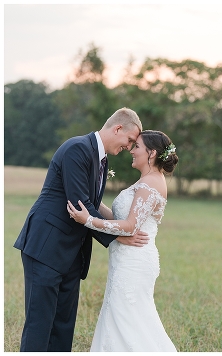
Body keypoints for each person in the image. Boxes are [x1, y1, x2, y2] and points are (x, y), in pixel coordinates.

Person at [13, 108, 149, 352]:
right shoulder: (77, 149)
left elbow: (93, 203)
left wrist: (125, 225)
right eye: (129, 140)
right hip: (46, 247)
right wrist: (118, 236)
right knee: (39, 325)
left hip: (72, 253)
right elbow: (80, 204)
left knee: (63, 327)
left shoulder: (102, 159)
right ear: (118, 128)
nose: (129, 147)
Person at [67, 130, 178, 351]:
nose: (131, 151)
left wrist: (88, 220)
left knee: (127, 321)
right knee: (121, 318)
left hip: (134, 261)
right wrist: (91, 199)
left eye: (137, 146)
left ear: (152, 153)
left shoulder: (151, 183)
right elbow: (119, 218)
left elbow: (130, 226)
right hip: (125, 259)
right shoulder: (147, 181)